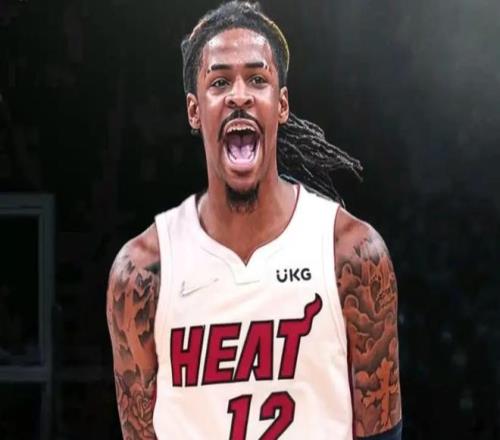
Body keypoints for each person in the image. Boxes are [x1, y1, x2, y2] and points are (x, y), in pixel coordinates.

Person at [106, 2, 402, 439]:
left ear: (281, 105)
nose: (239, 95)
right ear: (194, 111)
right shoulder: (141, 273)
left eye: (257, 79)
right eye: (220, 81)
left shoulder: (351, 254)